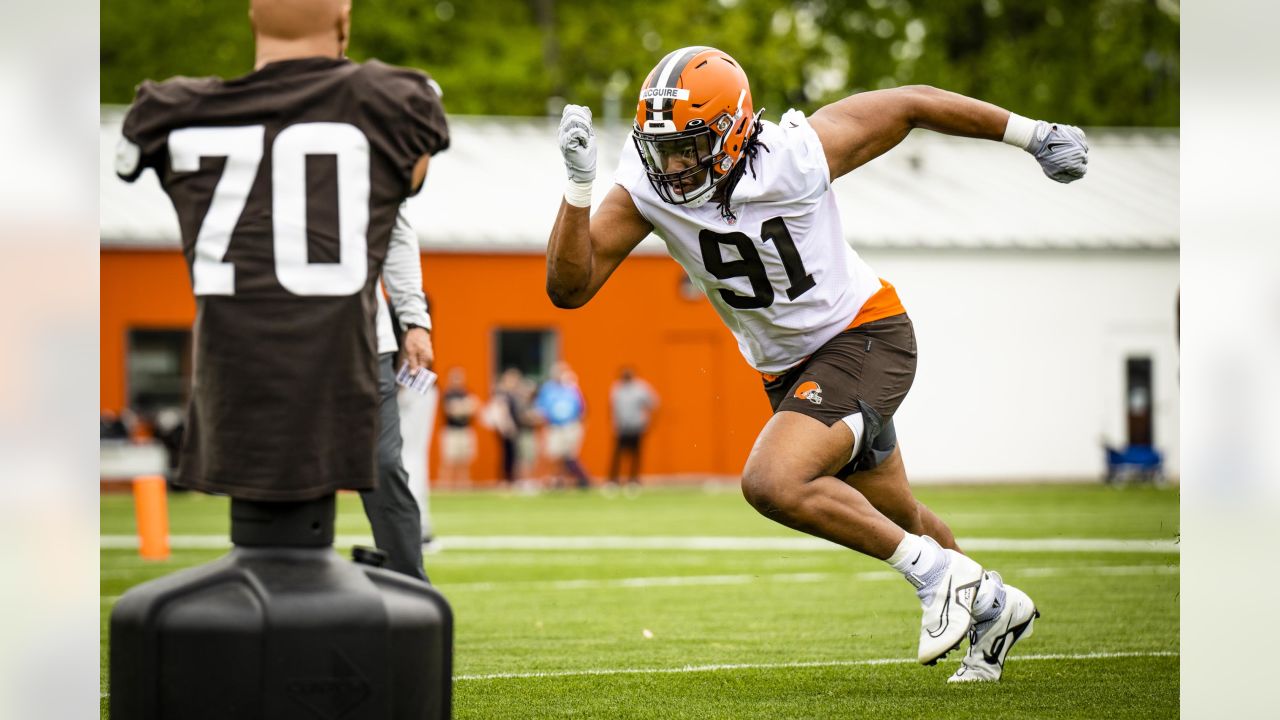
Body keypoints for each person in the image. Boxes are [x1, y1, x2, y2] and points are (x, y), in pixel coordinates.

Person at [547, 46, 1088, 682]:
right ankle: (996, 610)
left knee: (772, 482)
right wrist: (578, 189)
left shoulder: (794, 155)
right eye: (662, 147)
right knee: (901, 518)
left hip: (866, 336)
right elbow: (569, 288)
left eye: (690, 147)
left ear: (736, 130)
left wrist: (1032, 134)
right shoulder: (646, 184)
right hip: (790, 372)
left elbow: (911, 103)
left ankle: (940, 578)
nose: (674, 165)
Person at [116, 0, 449, 570]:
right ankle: (335, 587)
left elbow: (130, 149)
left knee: (365, 472)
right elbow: (415, 158)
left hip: (283, 333)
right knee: (316, 473)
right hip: (322, 333)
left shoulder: (183, 108)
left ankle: (391, 577)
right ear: (342, 26)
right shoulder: (384, 109)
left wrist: (413, 316)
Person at [533, 362, 590, 489]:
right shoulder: (547, 389)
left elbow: (582, 407)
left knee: (569, 455)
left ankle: (574, 479)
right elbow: (540, 408)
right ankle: (556, 479)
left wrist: (581, 423)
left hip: (570, 426)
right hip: (554, 426)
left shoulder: (572, 388)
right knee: (555, 455)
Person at [609, 366, 657, 489]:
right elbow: (613, 408)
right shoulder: (617, 388)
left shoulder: (641, 388)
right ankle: (613, 480)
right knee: (618, 455)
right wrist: (614, 425)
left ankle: (633, 480)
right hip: (622, 427)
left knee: (636, 455)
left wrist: (648, 422)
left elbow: (653, 404)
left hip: (636, 426)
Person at [439, 367, 480, 485]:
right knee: (449, 460)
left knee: (464, 460)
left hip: (465, 429)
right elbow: (451, 410)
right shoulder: (447, 393)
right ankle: (445, 484)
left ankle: (463, 484)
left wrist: (460, 408)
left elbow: (474, 407)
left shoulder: (467, 392)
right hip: (451, 430)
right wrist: (464, 407)